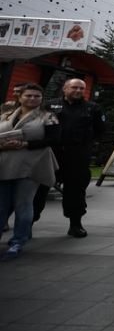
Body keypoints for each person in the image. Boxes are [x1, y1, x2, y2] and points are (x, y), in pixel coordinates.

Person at [0, 84, 60, 260]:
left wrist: (26, 144)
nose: (32, 99)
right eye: (28, 95)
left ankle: (18, 241)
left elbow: (53, 139)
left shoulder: (48, 117)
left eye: (37, 96)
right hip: (5, 163)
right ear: (20, 97)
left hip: (32, 164)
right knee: (2, 205)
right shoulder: (6, 115)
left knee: (23, 204)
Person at [43, 78, 106, 237]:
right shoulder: (50, 105)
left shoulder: (92, 108)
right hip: (51, 154)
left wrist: (87, 145)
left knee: (76, 192)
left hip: (77, 156)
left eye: (81, 88)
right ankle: (28, 223)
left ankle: (75, 224)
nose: (78, 91)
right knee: (40, 189)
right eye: (74, 87)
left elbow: (100, 130)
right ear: (65, 88)